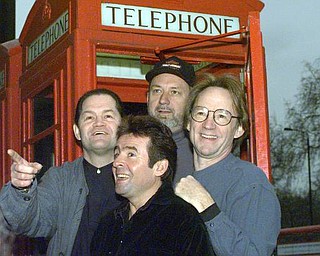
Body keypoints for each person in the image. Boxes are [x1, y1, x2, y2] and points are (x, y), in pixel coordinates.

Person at [0, 88, 125, 255]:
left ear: (123, 127)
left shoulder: (139, 174)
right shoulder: (59, 179)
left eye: (108, 116)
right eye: (89, 117)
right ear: (77, 132)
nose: (99, 123)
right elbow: (28, 222)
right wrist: (21, 188)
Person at [175, 74, 281, 255]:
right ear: (188, 122)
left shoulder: (250, 182)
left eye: (222, 116)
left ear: (239, 128)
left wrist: (206, 207)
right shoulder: (180, 183)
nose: (209, 124)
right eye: (201, 113)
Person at [91, 115, 214, 256]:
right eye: (117, 154)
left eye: (131, 154)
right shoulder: (108, 224)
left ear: (160, 167)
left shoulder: (183, 221)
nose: (117, 162)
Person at [146, 56, 195, 185]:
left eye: (174, 92)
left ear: (191, 100)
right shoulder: (128, 146)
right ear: (147, 98)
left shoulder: (202, 152)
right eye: (157, 91)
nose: (163, 100)